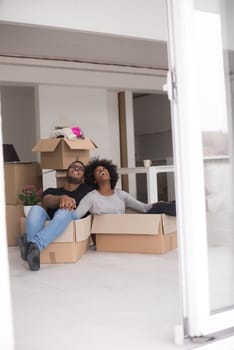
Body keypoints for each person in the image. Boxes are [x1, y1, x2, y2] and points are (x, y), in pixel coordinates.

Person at [18, 160, 94, 271]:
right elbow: (47, 201)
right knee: (35, 209)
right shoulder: (53, 190)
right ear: (67, 172)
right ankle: (33, 250)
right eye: (73, 167)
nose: (76, 169)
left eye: (80, 168)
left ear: (83, 178)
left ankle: (32, 244)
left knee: (65, 211)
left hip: (70, 218)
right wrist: (61, 198)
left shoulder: (88, 190)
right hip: (51, 219)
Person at [74, 157, 176, 219]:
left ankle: (185, 210)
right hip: (105, 234)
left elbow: (144, 208)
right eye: (98, 171)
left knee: (164, 205)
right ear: (94, 179)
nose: (102, 171)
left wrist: (160, 205)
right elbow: (76, 216)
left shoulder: (120, 194)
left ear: (110, 175)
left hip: (124, 229)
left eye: (104, 169)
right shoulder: (91, 197)